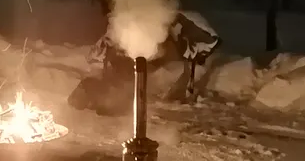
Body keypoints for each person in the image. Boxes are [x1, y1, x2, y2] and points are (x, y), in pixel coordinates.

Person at [68, 10, 221, 114]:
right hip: (148, 56)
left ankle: (117, 94)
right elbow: (100, 58)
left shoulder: (183, 29)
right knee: (122, 62)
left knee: (141, 60)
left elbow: (198, 57)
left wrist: (184, 91)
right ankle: (109, 94)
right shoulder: (119, 33)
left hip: (184, 50)